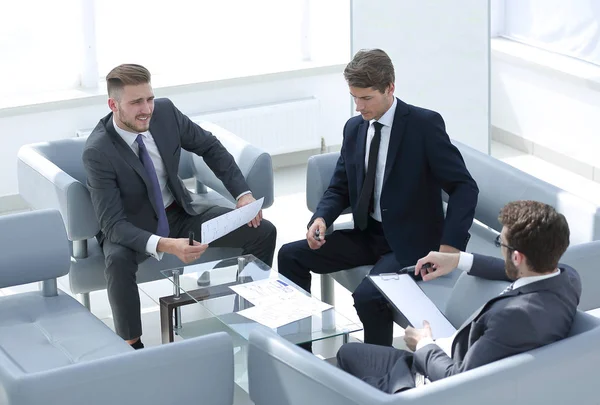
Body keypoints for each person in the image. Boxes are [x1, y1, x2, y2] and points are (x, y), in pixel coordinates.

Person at [277, 49, 479, 346]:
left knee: (368, 297)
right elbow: (340, 186)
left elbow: (464, 187)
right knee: (289, 255)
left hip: (412, 243)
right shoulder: (354, 129)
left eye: (366, 98)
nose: (359, 106)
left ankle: (380, 373)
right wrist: (321, 217)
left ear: (390, 88)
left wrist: (449, 248)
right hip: (368, 234)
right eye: (354, 97)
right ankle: (299, 352)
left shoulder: (424, 126)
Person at [83, 64, 277, 349]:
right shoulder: (98, 152)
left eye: (149, 98)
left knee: (263, 231)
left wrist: (242, 193)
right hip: (130, 226)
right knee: (117, 262)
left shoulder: (165, 113)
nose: (146, 109)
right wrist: (167, 245)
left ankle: (247, 316)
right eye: (136, 102)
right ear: (113, 104)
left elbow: (209, 146)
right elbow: (113, 225)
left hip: (179, 212)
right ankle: (131, 345)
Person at [337, 200, 580, 393]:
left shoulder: (514, 318)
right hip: (441, 356)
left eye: (501, 244)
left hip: (431, 382)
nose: (500, 248)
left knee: (343, 382)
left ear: (517, 257)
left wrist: (423, 343)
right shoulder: (566, 279)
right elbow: (513, 270)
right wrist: (458, 260)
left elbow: (459, 381)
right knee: (347, 353)